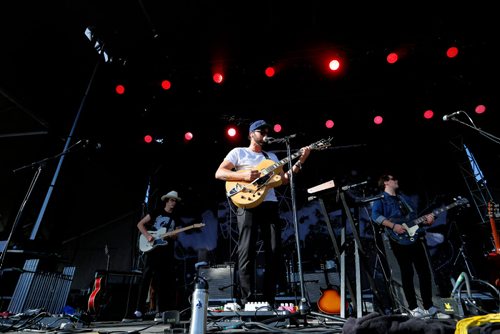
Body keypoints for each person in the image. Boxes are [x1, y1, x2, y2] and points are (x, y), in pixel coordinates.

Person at [215, 119, 311, 307]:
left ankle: (269, 299)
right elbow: (219, 173)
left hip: (269, 204)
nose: (265, 135)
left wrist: (301, 160)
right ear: (251, 134)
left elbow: (284, 180)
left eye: (267, 132)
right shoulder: (238, 152)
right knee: (247, 250)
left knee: (275, 251)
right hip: (247, 203)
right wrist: (242, 175)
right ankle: (247, 300)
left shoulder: (272, 157)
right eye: (261, 132)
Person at [371, 174, 450, 319]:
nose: (396, 180)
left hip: (415, 238)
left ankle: (429, 307)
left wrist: (427, 221)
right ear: (386, 182)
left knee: (425, 272)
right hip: (398, 240)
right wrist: (394, 226)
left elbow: (413, 218)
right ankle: (413, 308)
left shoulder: (403, 198)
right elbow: (375, 216)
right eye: (393, 178)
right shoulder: (380, 199)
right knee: (407, 273)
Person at [130, 190, 184, 320]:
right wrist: (148, 236)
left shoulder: (176, 217)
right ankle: (139, 309)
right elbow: (140, 224)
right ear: (167, 201)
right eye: (171, 200)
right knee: (146, 278)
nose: (173, 203)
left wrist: (174, 234)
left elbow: (176, 236)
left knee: (162, 281)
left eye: (175, 201)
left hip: (166, 252)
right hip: (153, 250)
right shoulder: (156, 212)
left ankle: (160, 311)